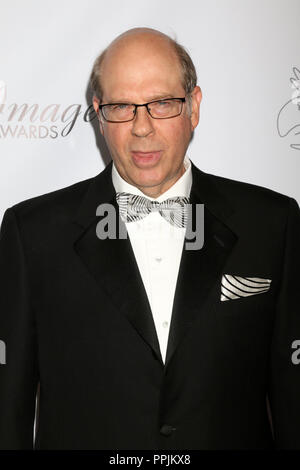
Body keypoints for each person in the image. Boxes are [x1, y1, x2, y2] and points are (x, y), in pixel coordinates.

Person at [0, 27, 299, 451]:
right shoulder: (31, 233)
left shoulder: (273, 223)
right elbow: (8, 412)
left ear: (194, 107)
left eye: (162, 104)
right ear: (99, 114)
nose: (142, 127)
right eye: (122, 106)